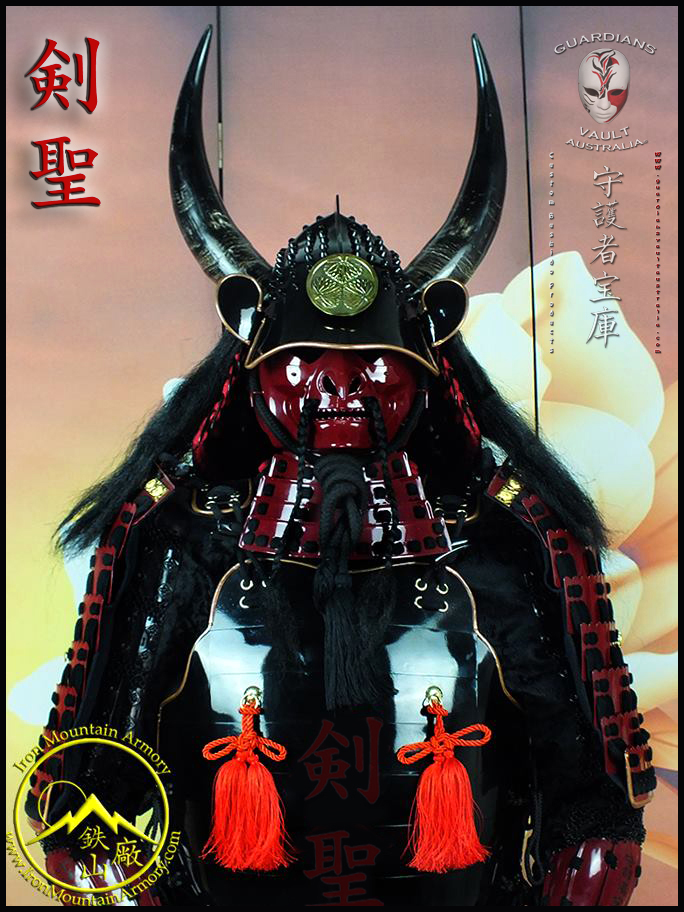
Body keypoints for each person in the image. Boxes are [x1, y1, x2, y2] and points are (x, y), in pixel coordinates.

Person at [26, 26, 654, 906]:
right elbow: (113, 740)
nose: (339, 390)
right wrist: (104, 841)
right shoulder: (185, 545)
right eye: (303, 366)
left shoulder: (496, 548)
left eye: (373, 368)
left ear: (424, 370)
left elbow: (569, 748)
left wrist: (593, 838)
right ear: (253, 369)